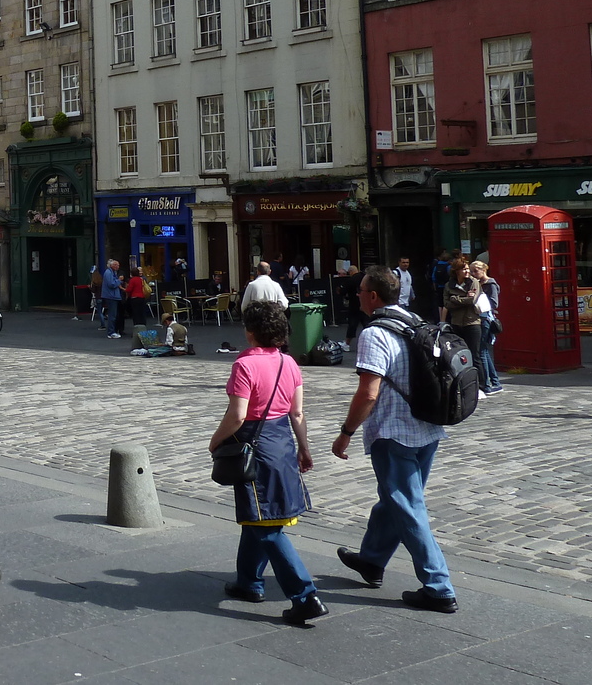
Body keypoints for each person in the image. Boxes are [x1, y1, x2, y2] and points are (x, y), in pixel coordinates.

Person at [332, 265, 459, 614]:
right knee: (396, 499)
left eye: (360, 290)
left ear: (373, 296)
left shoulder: (374, 334)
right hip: (427, 427)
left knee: (408, 507)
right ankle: (372, 560)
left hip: (393, 432)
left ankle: (438, 587)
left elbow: (368, 393)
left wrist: (346, 433)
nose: (356, 295)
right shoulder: (413, 320)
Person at [209, 301, 327, 626]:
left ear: (249, 332)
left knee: (268, 528)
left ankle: (305, 596)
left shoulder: (244, 365)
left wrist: (215, 440)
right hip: (283, 444)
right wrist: (304, 448)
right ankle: (249, 582)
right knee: (259, 518)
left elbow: (238, 415)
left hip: (254, 446)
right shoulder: (289, 363)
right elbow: (298, 413)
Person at [471, 261, 503, 396]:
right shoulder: (478, 284)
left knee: (482, 351)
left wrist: (478, 298)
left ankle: (489, 383)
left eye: (475, 271)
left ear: (483, 270)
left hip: (486, 319)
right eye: (472, 271)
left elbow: (494, 303)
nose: (473, 274)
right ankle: (495, 381)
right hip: (480, 318)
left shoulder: (490, 284)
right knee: (483, 350)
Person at [442, 257, 481, 356]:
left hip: (472, 323)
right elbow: (446, 304)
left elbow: (472, 300)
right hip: (456, 323)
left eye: (468, 269)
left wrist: (455, 299)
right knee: (459, 354)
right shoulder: (449, 285)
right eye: (464, 269)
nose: (467, 271)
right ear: (456, 271)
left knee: (474, 355)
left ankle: (477, 372)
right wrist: (465, 298)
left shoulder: (473, 282)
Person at [125, 265, 151, 329]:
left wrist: (122, 288)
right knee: (142, 313)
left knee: (136, 314)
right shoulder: (141, 279)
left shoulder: (132, 280)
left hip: (135, 298)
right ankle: (143, 327)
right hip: (142, 297)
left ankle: (137, 328)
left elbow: (129, 290)